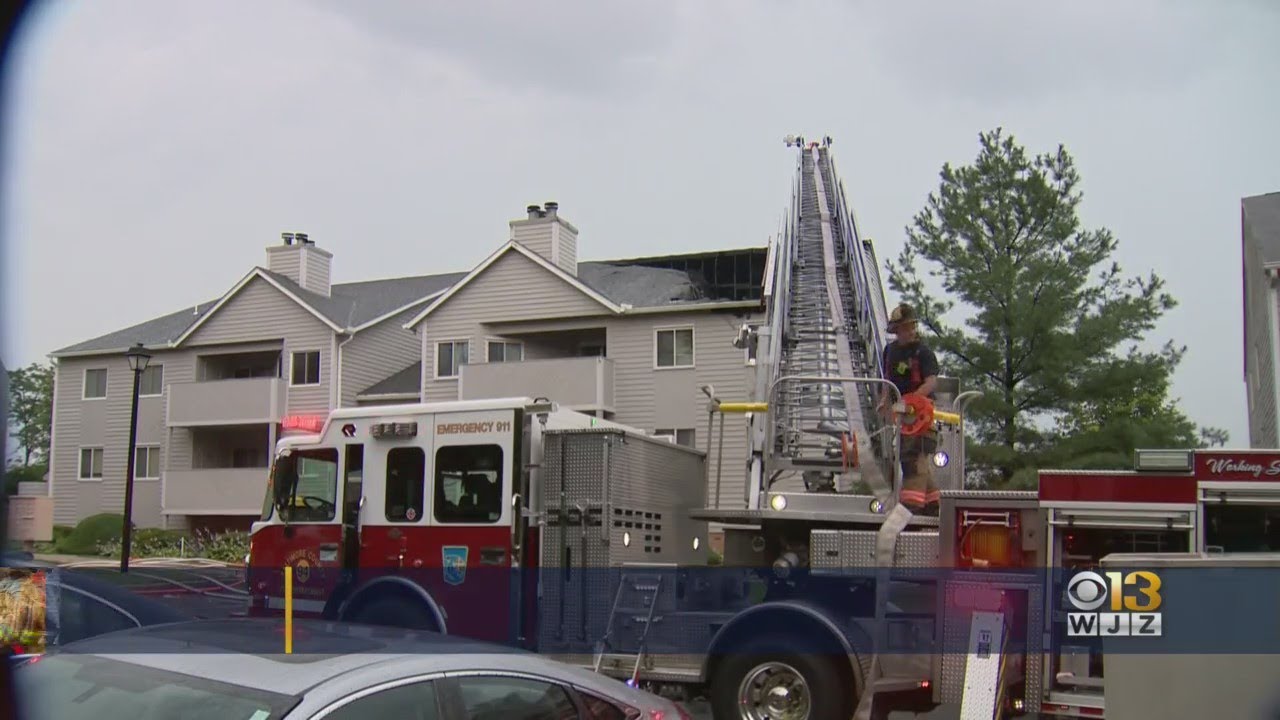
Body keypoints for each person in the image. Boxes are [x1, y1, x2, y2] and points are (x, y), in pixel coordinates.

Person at [877, 303, 941, 515]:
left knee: (913, 455)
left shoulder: (923, 352)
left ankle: (911, 504)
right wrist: (884, 401)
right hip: (902, 413)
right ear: (896, 330)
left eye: (912, 326)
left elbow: (931, 382)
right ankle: (933, 502)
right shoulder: (890, 351)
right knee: (915, 455)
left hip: (921, 414)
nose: (910, 331)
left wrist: (912, 401)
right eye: (905, 327)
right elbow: (887, 379)